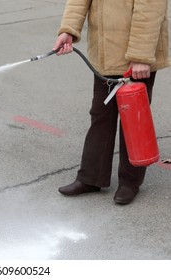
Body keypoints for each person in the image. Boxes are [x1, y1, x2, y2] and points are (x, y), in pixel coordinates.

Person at [53, 0, 170, 204]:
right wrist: (69, 30)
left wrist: (140, 56)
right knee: (100, 115)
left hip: (136, 57)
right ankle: (91, 178)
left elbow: (150, 9)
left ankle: (130, 182)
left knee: (133, 120)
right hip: (105, 52)